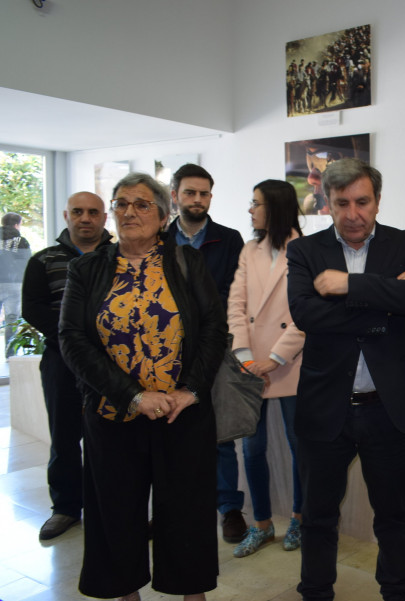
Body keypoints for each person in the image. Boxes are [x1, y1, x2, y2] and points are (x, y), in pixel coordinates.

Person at [59, 173, 226, 600]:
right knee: (115, 512)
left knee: (186, 512)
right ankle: (125, 592)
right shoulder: (86, 268)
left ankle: (192, 593)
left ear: (163, 214)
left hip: (180, 413)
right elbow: (72, 340)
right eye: (121, 203)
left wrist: (190, 390)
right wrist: (132, 395)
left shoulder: (188, 263)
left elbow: (212, 329)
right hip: (114, 414)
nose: (129, 212)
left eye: (141, 204)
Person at [286, 158, 405, 601]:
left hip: (388, 408)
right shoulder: (305, 252)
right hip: (324, 408)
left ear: (377, 201)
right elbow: (306, 313)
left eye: (363, 202)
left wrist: (348, 285)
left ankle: (396, 593)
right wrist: (386, 297)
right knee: (317, 516)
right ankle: (315, 593)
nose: (354, 214)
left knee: (393, 516)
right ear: (327, 204)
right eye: (343, 203)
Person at [21, 192, 112, 540]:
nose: (85, 218)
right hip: (62, 361)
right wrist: (75, 334)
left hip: (112, 363)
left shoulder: (119, 258)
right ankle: (65, 508)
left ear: (104, 217)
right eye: (78, 212)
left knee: (110, 438)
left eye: (92, 212)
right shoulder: (44, 260)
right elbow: (33, 308)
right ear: (66, 215)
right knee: (64, 436)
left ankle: (109, 503)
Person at [166, 163, 248, 544]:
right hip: (164, 350)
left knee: (219, 433)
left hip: (213, 347)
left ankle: (229, 508)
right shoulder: (159, 239)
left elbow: (235, 293)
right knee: (166, 430)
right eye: (190, 192)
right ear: (175, 196)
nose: (197, 200)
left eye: (204, 193)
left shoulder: (229, 240)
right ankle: (170, 509)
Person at [229, 180, 306, 558]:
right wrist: (245, 357)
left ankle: (299, 519)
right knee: (252, 448)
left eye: (256, 203)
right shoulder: (249, 251)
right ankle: (260, 524)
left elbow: (305, 314)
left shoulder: (306, 250)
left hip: (289, 363)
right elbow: (236, 305)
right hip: (249, 366)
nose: (250, 210)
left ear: (274, 208)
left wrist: (274, 359)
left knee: (299, 446)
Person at [0, 212, 31, 352]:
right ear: (17, 224)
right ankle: (10, 353)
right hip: (15, 284)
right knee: (12, 319)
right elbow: (27, 263)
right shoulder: (22, 241)